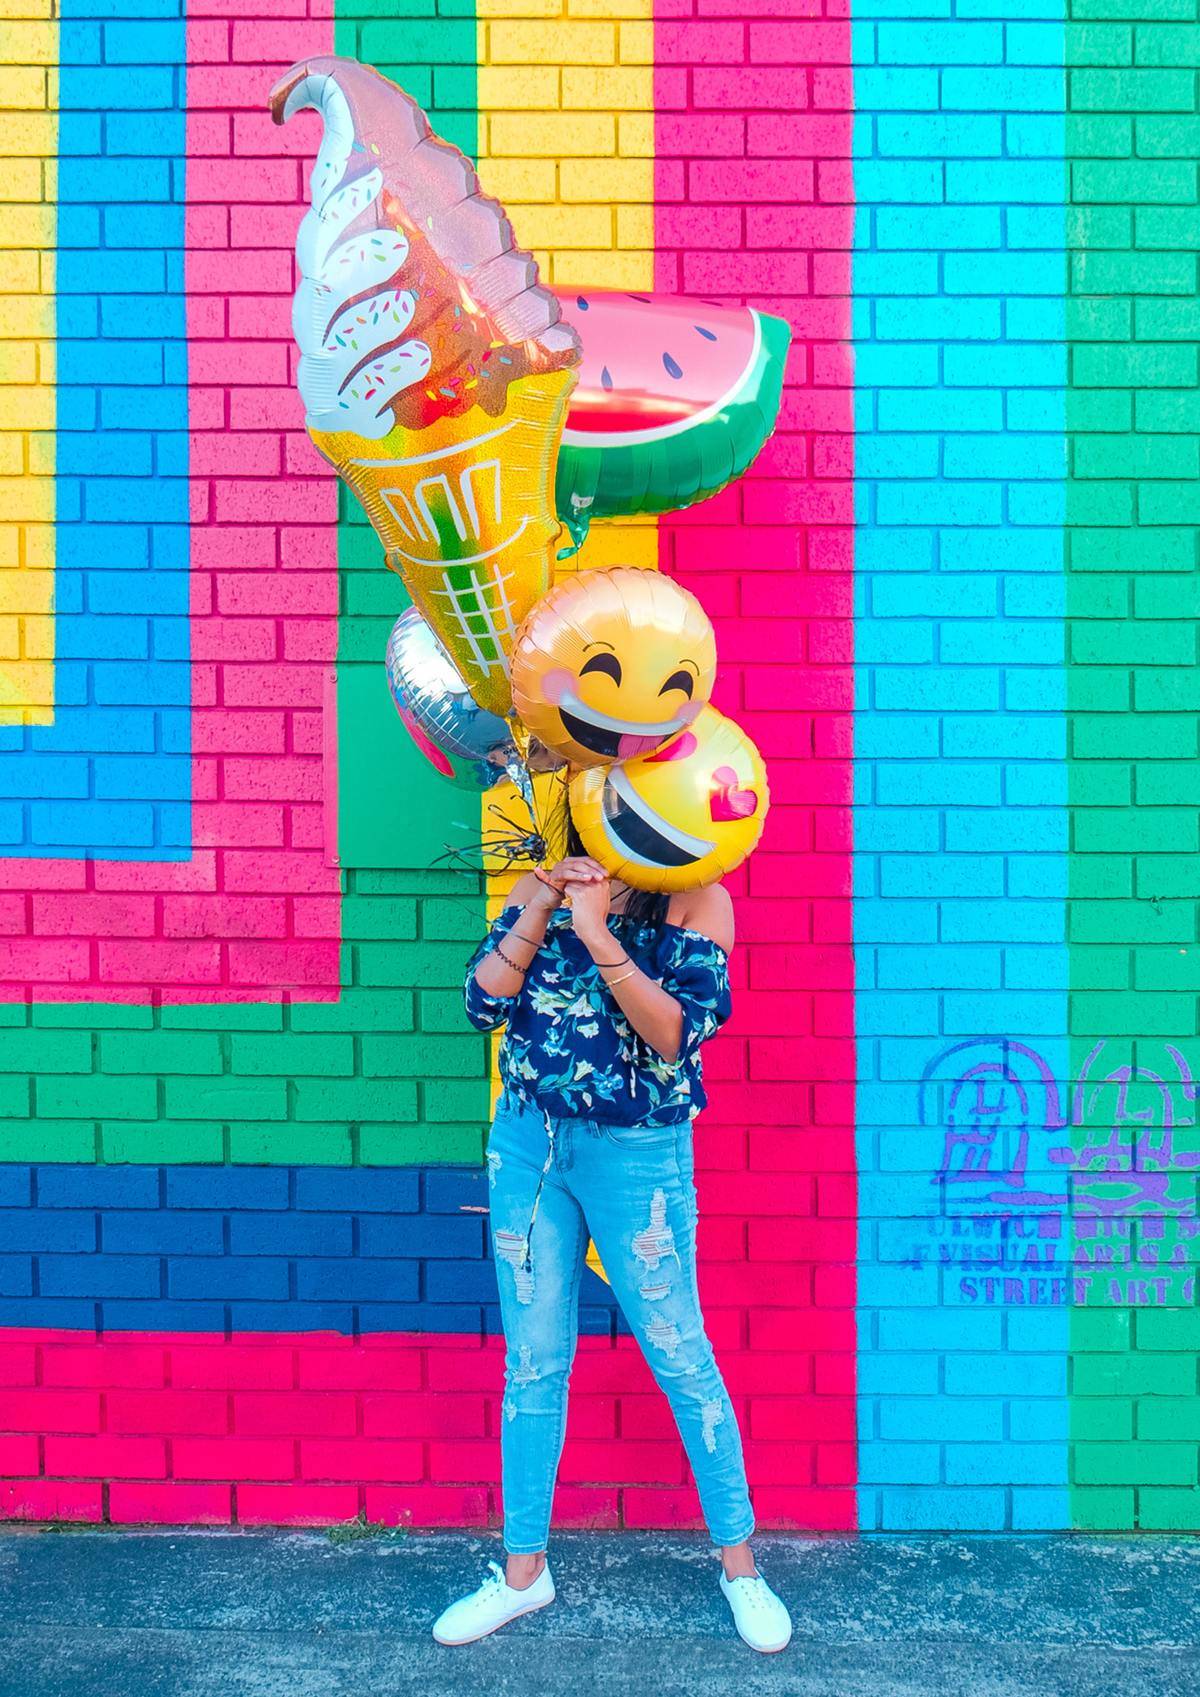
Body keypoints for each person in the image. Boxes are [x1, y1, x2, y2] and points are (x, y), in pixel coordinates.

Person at [431, 806, 792, 1655]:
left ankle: (741, 1567)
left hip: (636, 1157)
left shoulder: (696, 902)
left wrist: (598, 933)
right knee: (533, 1362)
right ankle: (523, 1574)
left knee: (679, 1351)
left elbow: (673, 1035)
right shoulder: (543, 886)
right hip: (527, 1144)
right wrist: (537, 907)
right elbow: (483, 1004)